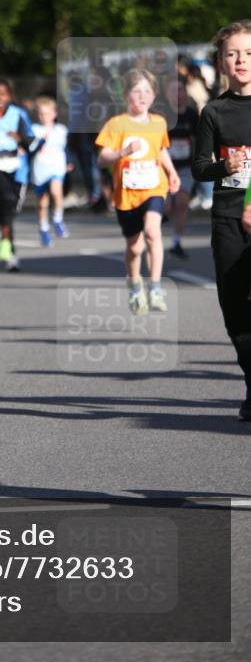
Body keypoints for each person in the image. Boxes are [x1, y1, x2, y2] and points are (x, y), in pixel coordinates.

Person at [192, 21, 251, 422]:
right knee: (234, 309)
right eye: (232, 54)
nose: (241, 60)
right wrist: (223, 166)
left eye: (248, 53)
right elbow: (199, 167)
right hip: (228, 217)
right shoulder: (213, 111)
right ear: (221, 63)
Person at [96, 68, 180, 314]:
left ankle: (156, 287)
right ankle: (134, 285)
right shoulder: (116, 124)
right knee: (134, 247)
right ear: (125, 95)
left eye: (147, 91)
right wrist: (123, 152)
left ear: (154, 95)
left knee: (153, 232)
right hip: (127, 194)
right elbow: (102, 159)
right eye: (136, 91)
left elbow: (161, 150)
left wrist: (172, 172)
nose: (142, 96)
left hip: (154, 187)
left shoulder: (159, 123)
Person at [0, 78, 33, 270]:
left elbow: (30, 140)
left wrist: (20, 139)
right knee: (7, 198)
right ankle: (6, 246)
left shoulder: (18, 114)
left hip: (15, 165)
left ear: (9, 95)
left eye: (3, 94)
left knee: (7, 206)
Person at [163, 77, 199, 259]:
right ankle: (155, 235)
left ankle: (177, 242)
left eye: (180, 90)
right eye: (173, 90)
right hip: (164, 167)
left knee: (182, 202)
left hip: (185, 165)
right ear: (167, 94)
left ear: (185, 92)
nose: (177, 94)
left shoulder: (192, 115)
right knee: (167, 207)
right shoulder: (162, 115)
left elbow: (200, 138)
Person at [29, 95, 70, 247]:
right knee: (42, 203)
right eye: (41, 113)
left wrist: (69, 161)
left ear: (54, 114)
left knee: (55, 191)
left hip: (56, 167)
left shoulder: (61, 130)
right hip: (40, 170)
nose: (44, 116)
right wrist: (41, 140)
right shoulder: (34, 130)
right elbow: (31, 149)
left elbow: (64, 148)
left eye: (47, 113)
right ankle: (43, 229)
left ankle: (58, 219)